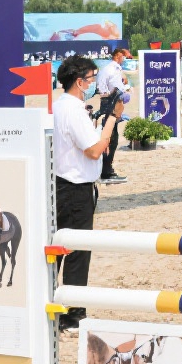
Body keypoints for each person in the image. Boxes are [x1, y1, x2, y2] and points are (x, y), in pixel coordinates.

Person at [53, 55, 124, 332]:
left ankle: (57, 306)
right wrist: (112, 119)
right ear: (79, 81)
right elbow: (94, 150)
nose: (94, 83)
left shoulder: (62, 106)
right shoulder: (72, 110)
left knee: (60, 251)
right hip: (75, 189)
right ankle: (73, 314)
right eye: (91, 79)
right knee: (78, 252)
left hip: (65, 185)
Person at [96, 48, 132, 184]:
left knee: (112, 137)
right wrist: (116, 94)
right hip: (111, 103)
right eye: (123, 56)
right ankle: (106, 170)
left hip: (112, 102)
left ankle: (107, 168)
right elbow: (106, 87)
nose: (124, 59)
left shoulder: (110, 69)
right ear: (118, 56)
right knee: (111, 138)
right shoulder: (113, 69)